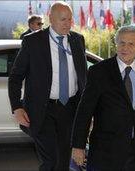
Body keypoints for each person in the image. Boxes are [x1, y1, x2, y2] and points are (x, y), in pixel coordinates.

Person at [71, 25, 135, 171]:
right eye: (121, 43)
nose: (125, 48)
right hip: (105, 153)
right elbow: (84, 111)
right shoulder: (99, 71)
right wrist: (78, 145)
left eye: (131, 44)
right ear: (116, 44)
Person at [8, 1, 87, 170]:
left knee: (64, 161)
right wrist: (17, 107)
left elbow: (83, 78)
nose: (68, 24)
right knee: (51, 160)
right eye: (63, 19)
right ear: (51, 18)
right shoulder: (33, 42)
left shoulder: (78, 40)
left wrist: (88, 109)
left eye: (70, 19)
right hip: (43, 110)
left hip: (70, 109)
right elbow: (15, 76)